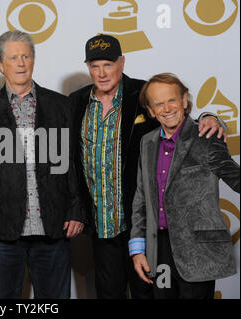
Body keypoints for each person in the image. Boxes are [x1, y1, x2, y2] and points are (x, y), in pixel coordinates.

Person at [69, 34, 226, 299]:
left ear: (122, 62)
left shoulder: (141, 93)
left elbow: (177, 118)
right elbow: (72, 161)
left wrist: (212, 118)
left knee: (149, 294)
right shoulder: (76, 101)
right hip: (103, 226)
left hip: (145, 225)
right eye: (95, 66)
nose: (102, 73)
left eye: (108, 64)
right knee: (109, 294)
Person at [0, 30, 87, 299]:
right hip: (3, 230)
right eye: (13, 57)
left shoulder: (59, 105)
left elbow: (72, 162)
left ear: (33, 60)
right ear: (0, 64)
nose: (20, 63)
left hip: (52, 227)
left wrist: (76, 209)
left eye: (25, 56)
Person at [129, 73, 239, 299]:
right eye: (159, 103)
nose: (167, 108)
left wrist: (215, 118)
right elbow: (141, 199)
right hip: (159, 251)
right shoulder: (147, 142)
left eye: (172, 100)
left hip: (198, 252)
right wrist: (138, 250)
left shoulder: (206, 135)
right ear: (150, 110)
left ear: (184, 100)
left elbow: (235, 177)